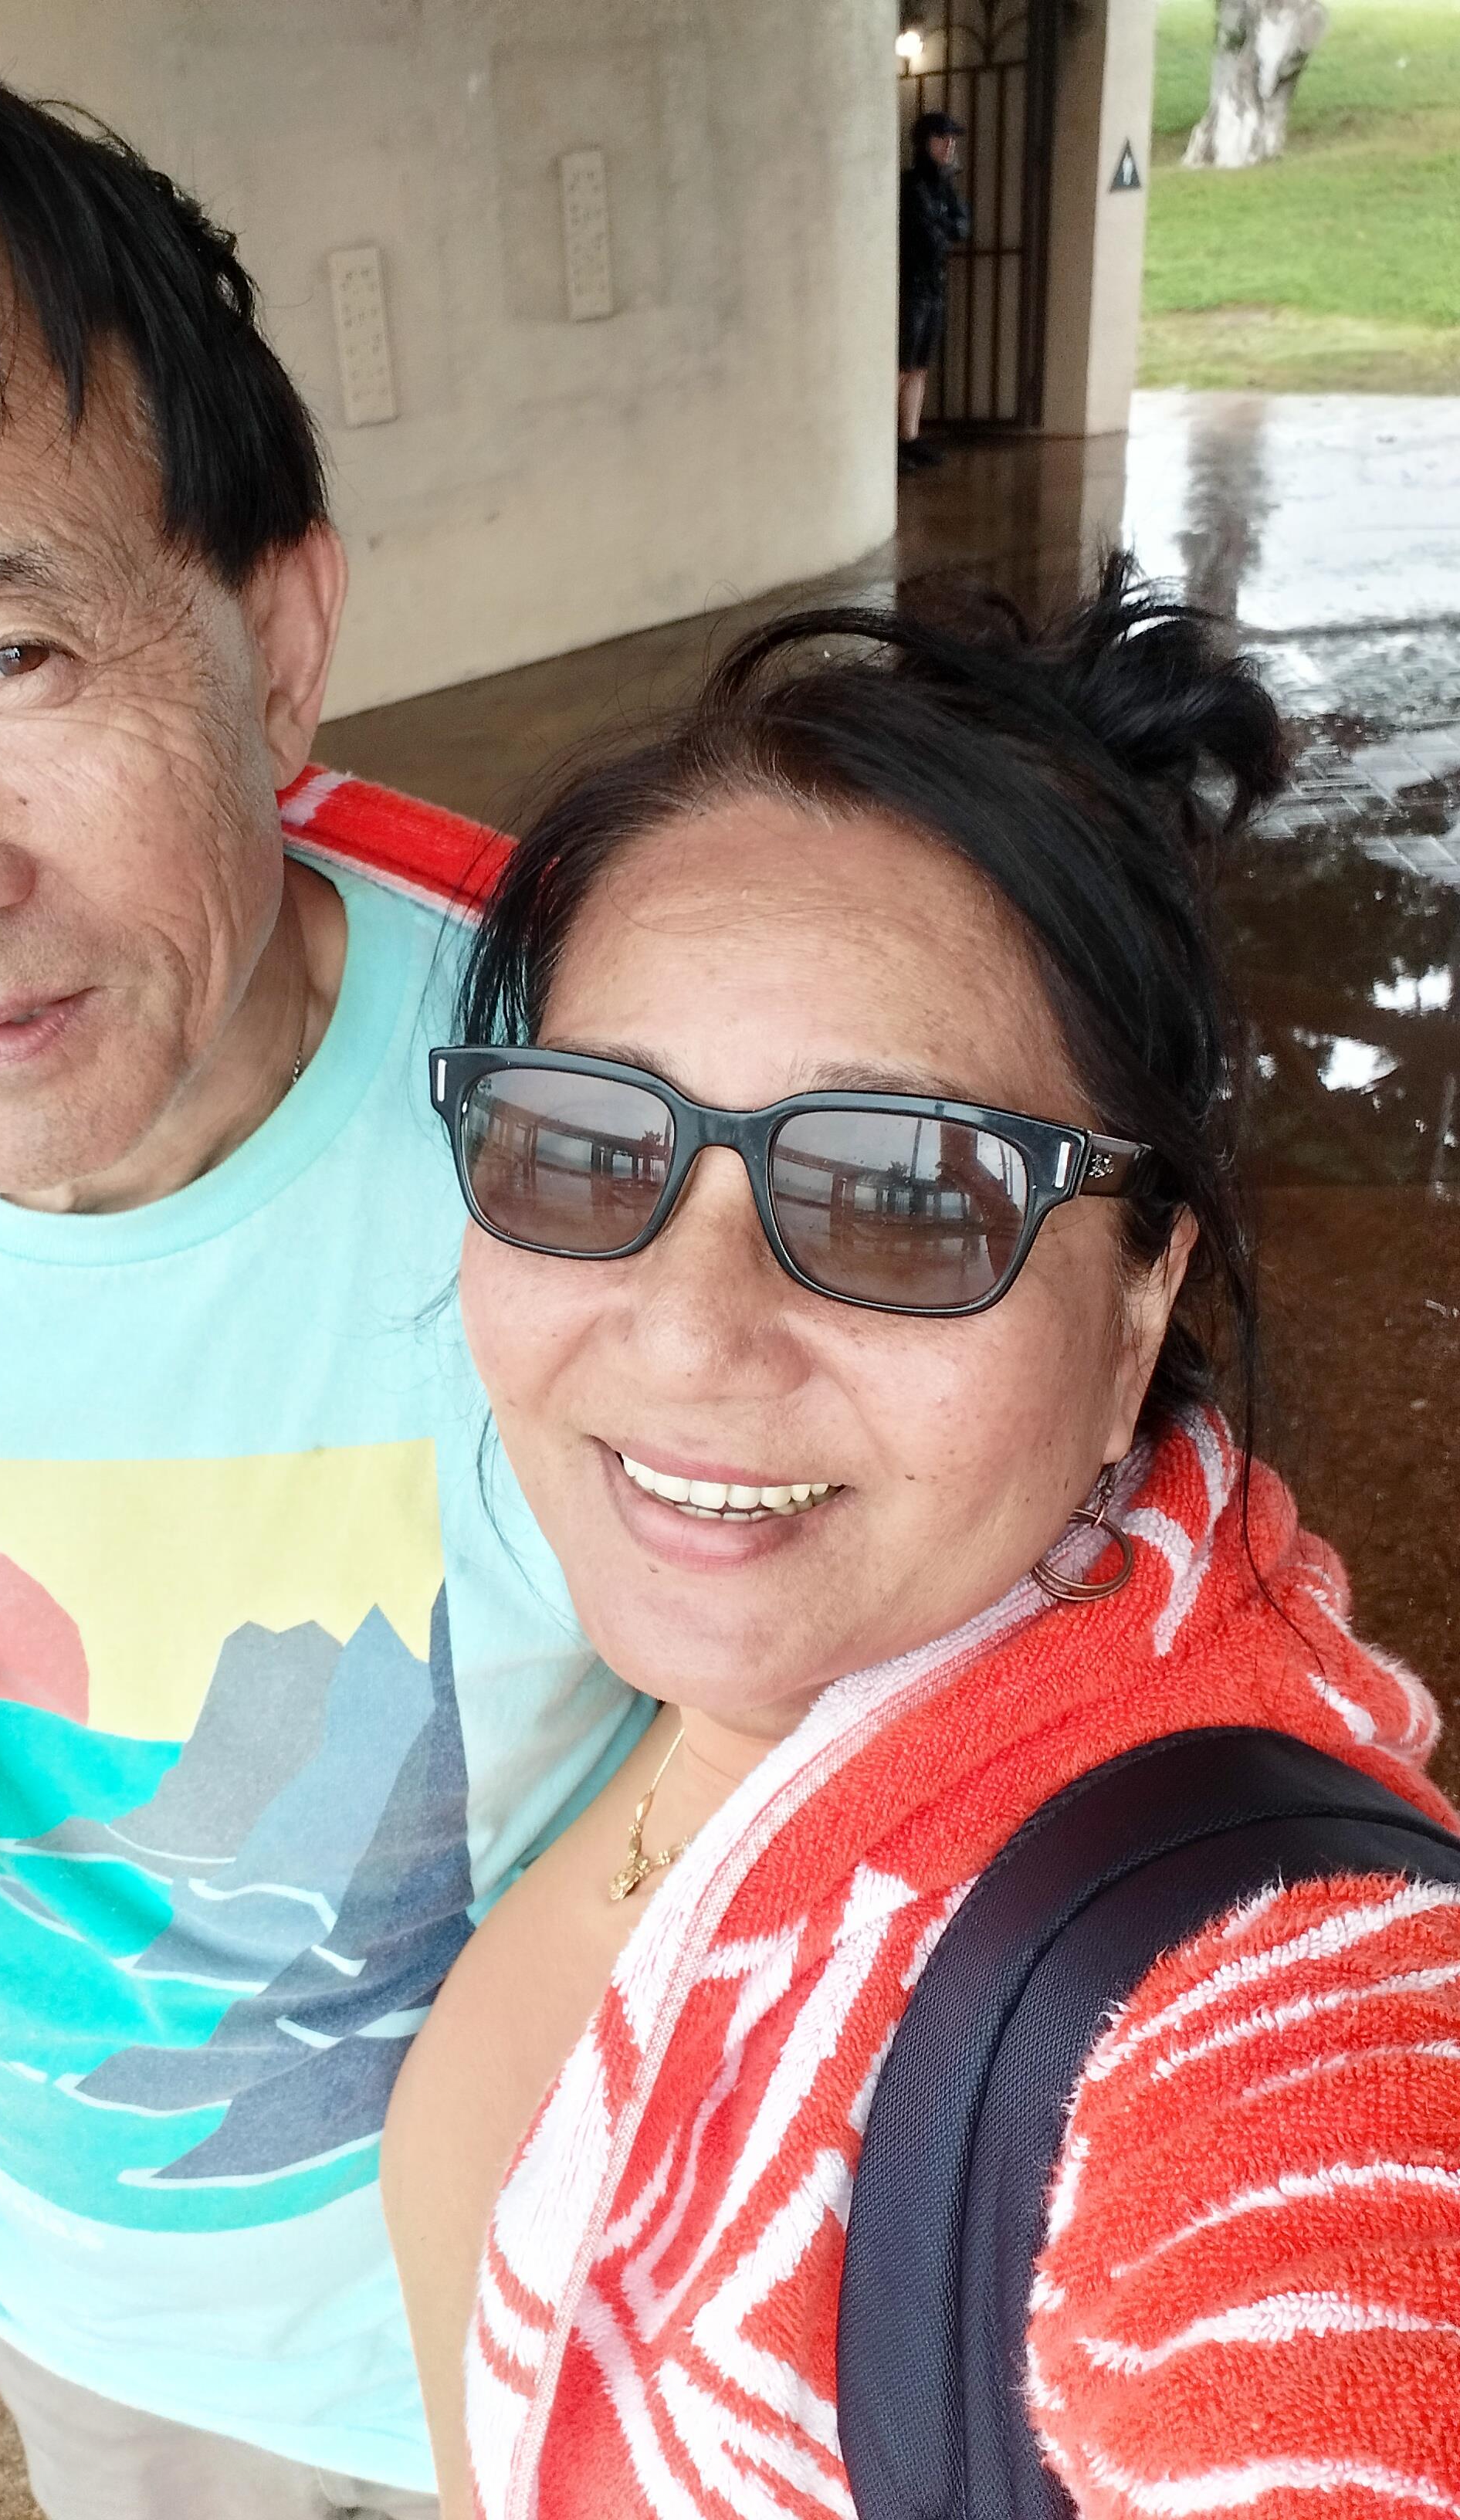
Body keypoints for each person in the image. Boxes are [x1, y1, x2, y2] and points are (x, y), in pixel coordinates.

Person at [0, 29, 647, 2520]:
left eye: (11, 657)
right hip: (80, 2316)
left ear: (276, 639)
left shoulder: (610, 1118)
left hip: (589, 2302)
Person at [381, 561, 1460, 2517]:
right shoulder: (732, 1661)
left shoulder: (1273, 2007)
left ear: (1137, 1296)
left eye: (899, 1195)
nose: (684, 1332)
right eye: (590, 1144)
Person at [898, 107, 970, 472]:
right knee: (902, 365)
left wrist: (942, 224)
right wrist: (944, 225)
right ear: (924, 142)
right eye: (942, 138)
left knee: (920, 367)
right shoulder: (912, 186)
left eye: (952, 139)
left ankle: (909, 437)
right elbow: (929, 236)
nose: (949, 145)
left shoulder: (944, 186)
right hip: (911, 287)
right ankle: (890, 442)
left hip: (933, 287)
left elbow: (962, 228)